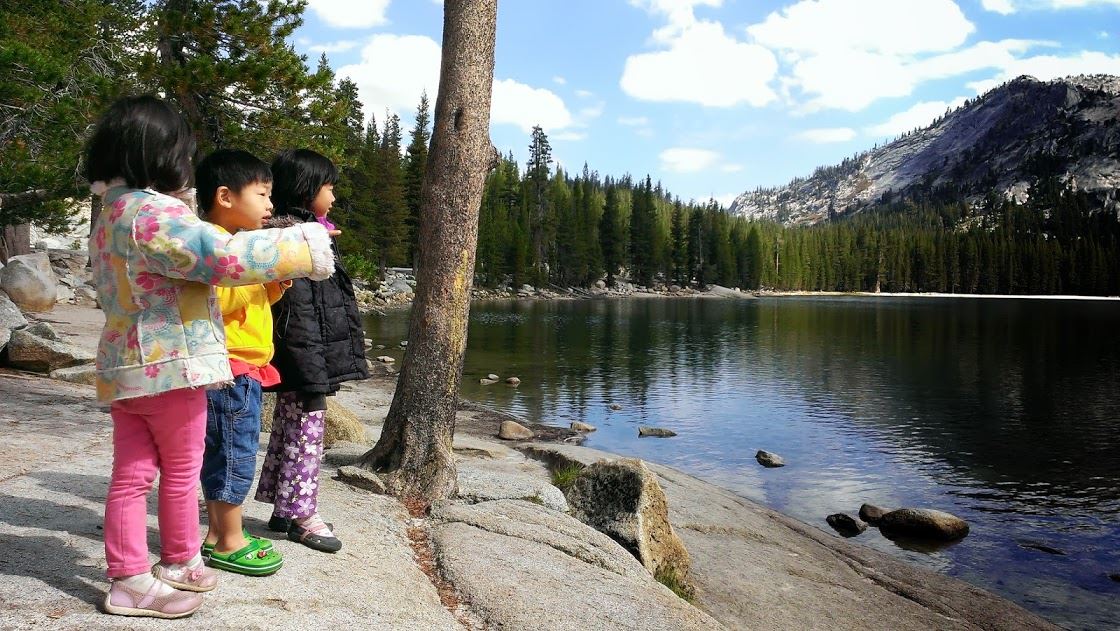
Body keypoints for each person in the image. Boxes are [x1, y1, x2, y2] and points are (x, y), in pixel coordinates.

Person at [87, 96, 335, 618]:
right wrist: (302, 246)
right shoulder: (155, 212)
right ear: (161, 154)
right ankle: (180, 561)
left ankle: (128, 578)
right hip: (172, 363)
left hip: (125, 366)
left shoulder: (109, 213)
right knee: (182, 471)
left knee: (131, 475)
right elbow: (221, 256)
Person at [255, 149, 369, 553]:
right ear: (307, 189)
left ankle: (284, 509)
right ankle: (302, 516)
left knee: (289, 426)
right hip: (303, 355)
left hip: (300, 355)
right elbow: (300, 312)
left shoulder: (305, 234)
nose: (334, 197)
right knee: (306, 430)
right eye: (329, 188)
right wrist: (313, 369)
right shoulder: (298, 240)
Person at [194, 149, 288, 576]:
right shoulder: (218, 246)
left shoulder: (235, 245)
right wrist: (251, 273)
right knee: (235, 454)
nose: (270, 204)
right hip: (231, 369)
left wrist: (272, 283)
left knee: (222, 451)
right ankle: (231, 539)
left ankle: (218, 533)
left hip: (235, 368)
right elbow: (219, 301)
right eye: (262, 194)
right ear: (225, 196)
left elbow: (251, 299)